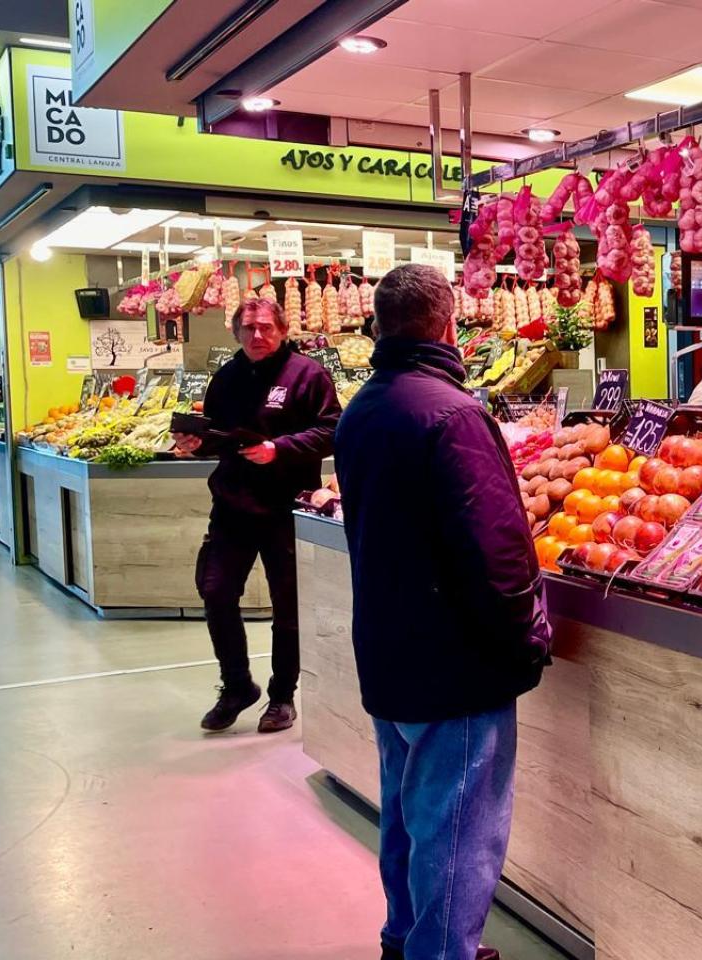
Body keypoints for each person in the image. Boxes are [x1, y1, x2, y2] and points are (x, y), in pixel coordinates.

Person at [334, 264, 550, 960]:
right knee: (457, 828)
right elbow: (497, 547)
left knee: (407, 811)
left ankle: (404, 938)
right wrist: (527, 635)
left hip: (389, 647)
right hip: (453, 661)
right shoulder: (453, 414)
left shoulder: (362, 408)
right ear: (449, 324)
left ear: (378, 325)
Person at [178, 298, 339, 734]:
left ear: (282, 330)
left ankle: (282, 696)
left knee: (287, 607)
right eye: (248, 328)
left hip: (287, 507)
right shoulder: (226, 377)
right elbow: (217, 435)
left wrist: (278, 449)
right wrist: (197, 444)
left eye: (266, 327)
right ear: (236, 332)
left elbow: (331, 430)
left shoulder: (308, 375)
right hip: (232, 505)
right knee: (216, 591)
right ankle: (236, 687)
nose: (257, 335)